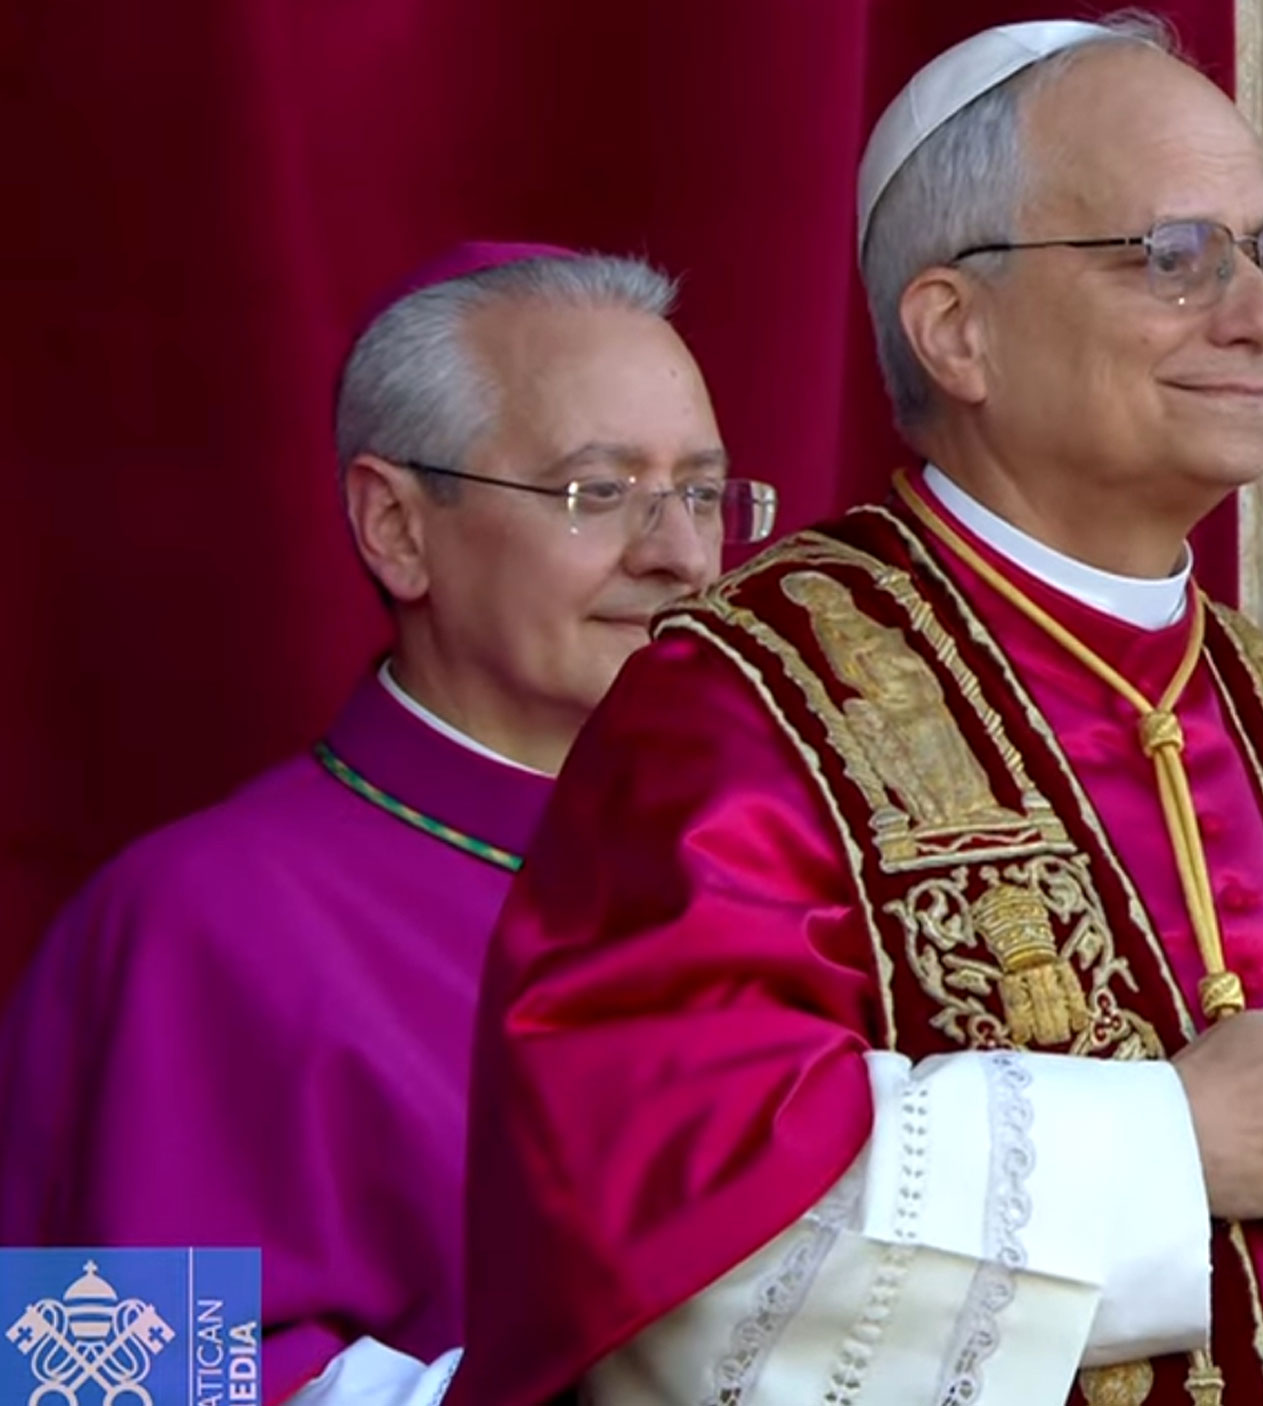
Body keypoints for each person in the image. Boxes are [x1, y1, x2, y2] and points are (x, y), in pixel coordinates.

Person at [450, 19, 1263, 1406]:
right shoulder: (745, 710)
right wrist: (1175, 1142)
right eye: (1176, 256)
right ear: (957, 328)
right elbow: (659, 1243)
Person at [0, 242, 776, 1401]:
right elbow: (122, 1373)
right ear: (397, 527)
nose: (677, 553)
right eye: (598, 492)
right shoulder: (198, 923)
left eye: (703, 492)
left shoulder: (775, 863)